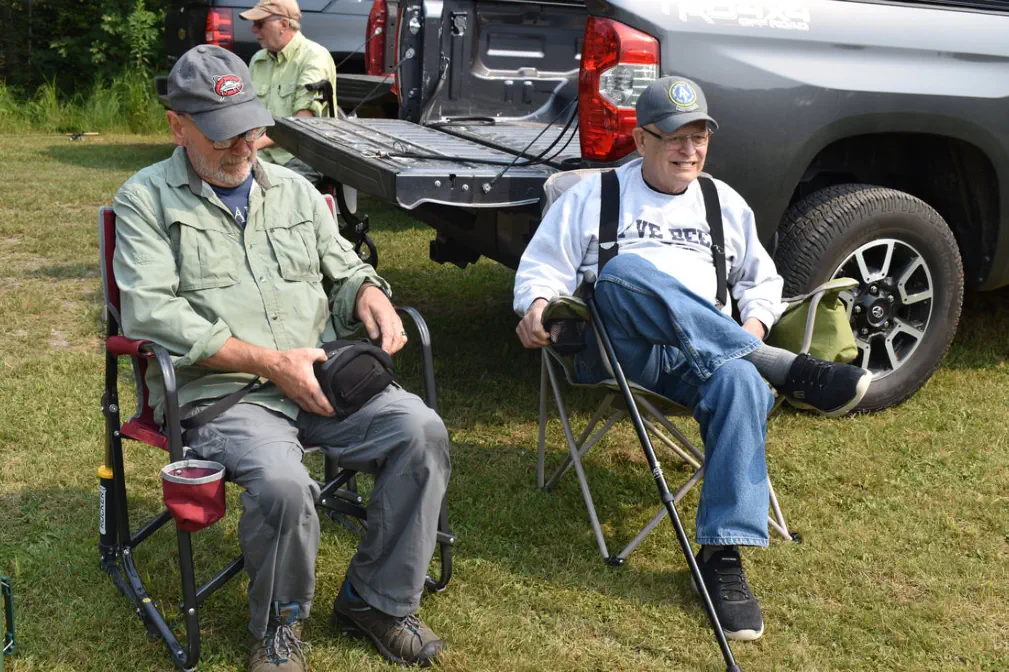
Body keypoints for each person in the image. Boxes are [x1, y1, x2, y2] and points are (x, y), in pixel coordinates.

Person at [113, 45, 448, 671]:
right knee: (285, 483)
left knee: (420, 430)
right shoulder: (145, 201)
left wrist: (369, 292)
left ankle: (376, 600)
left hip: (317, 379)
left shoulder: (294, 192)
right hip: (224, 394)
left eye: (251, 126)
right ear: (177, 125)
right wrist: (270, 363)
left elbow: (344, 269)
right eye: (222, 133)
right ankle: (278, 628)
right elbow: (152, 314)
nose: (243, 145)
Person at [513, 76, 872, 642]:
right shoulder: (592, 195)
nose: (690, 150)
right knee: (623, 275)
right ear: (641, 141)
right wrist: (536, 306)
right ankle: (774, 363)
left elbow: (762, 280)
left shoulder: (723, 202)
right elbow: (542, 269)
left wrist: (750, 322)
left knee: (741, 386)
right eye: (676, 137)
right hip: (621, 353)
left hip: (705, 356)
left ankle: (722, 557)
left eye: (700, 136)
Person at [239, 0, 338, 184]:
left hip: (300, 157)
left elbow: (302, 122)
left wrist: (252, 144)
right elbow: (246, 113)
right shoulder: (258, 60)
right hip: (260, 155)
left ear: (283, 24)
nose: (253, 30)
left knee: (275, 196)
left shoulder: (314, 57)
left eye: (259, 24)